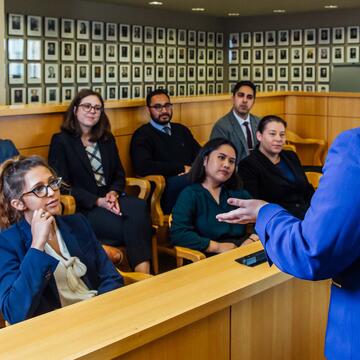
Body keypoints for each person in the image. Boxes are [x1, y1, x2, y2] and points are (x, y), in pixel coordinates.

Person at [216, 127, 360, 359]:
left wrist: (265, 213)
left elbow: (311, 251)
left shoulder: (355, 145)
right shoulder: (251, 166)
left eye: (282, 134)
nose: (279, 139)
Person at [0, 156, 123, 324]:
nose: (52, 192)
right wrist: (37, 246)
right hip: (56, 329)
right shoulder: (6, 243)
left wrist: (98, 312)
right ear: (19, 204)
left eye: (52, 183)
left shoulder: (78, 223)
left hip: (98, 316)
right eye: (39, 189)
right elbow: (14, 313)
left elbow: (111, 277)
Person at [48, 89, 152, 273]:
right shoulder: (61, 141)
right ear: (75, 110)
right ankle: (144, 273)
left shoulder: (106, 139)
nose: (92, 111)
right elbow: (61, 185)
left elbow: (119, 174)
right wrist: (97, 201)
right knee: (136, 225)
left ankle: (141, 275)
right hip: (85, 205)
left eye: (97, 108)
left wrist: (113, 193)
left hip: (111, 197)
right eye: (87, 106)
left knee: (139, 206)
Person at [170, 138, 256, 254]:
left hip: (241, 251)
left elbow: (266, 217)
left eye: (231, 161)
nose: (226, 165)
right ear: (205, 160)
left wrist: (252, 239)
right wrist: (216, 247)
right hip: (207, 256)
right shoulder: (190, 194)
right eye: (221, 157)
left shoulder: (238, 193)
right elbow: (178, 234)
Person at [130, 89, 200, 214]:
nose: (164, 110)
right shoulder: (142, 135)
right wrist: (181, 169)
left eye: (167, 106)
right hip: (163, 188)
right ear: (148, 110)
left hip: (190, 178)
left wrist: (194, 169)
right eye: (158, 107)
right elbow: (143, 167)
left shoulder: (181, 130)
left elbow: (200, 154)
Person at [238, 115, 314, 219]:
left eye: (282, 135)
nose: (278, 139)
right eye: (272, 134)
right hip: (279, 220)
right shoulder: (248, 165)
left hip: (308, 213)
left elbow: (307, 189)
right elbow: (255, 204)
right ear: (259, 136)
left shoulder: (291, 156)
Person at [210, 80, 260, 163]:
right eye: (241, 95)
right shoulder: (221, 126)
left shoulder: (259, 123)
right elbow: (218, 161)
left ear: (253, 102)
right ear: (233, 99)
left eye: (249, 97)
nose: (245, 100)